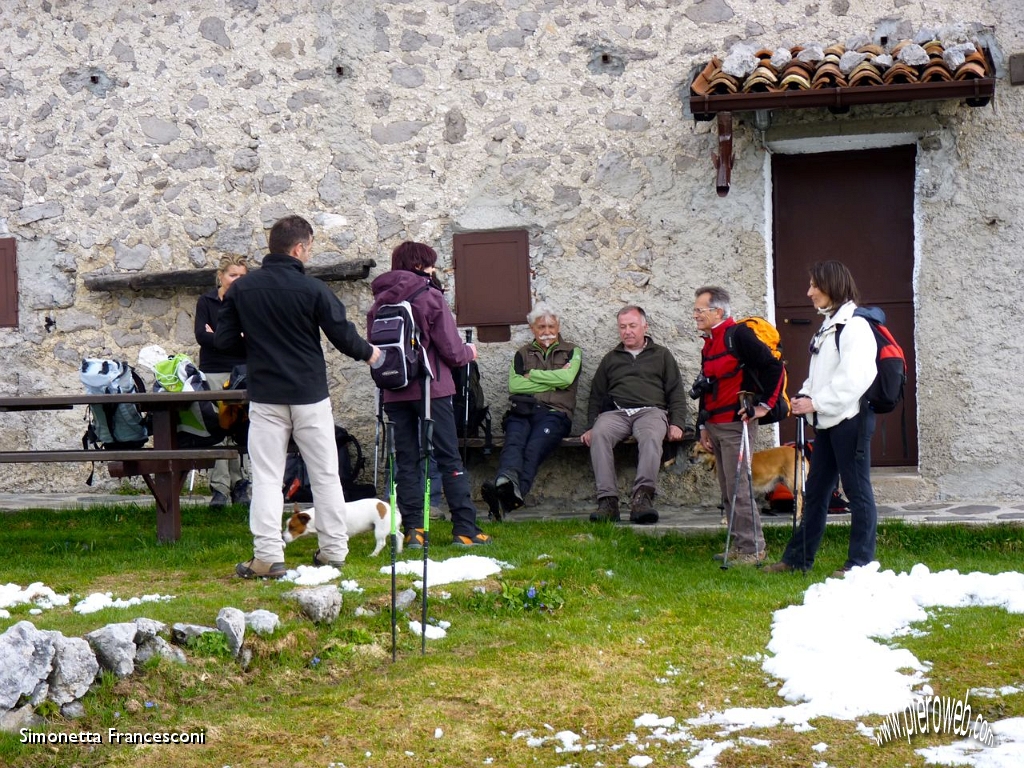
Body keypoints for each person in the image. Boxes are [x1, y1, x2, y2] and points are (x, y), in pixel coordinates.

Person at [215, 215, 380, 579]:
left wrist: (256, 344)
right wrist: (370, 353)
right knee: (325, 475)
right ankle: (334, 550)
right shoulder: (314, 290)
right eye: (309, 247)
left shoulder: (243, 289)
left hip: (267, 395)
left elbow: (224, 342)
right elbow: (342, 335)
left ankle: (268, 557)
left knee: (267, 478)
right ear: (299, 248)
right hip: (310, 395)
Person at [368, 241, 491, 548]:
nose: (435, 269)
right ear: (421, 265)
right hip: (431, 389)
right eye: (432, 264)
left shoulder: (379, 301)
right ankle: (465, 529)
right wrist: (469, 352)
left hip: (394, 390)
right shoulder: (429, 295)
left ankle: (414, 531)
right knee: (449, 456)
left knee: (407, 461)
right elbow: (450, 349)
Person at [764, 260, 878, 577]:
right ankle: (797, 559)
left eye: (815, 285)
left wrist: (815, 402)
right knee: (814, 493)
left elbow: (854, 380)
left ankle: (860, 564)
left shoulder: (855, 326)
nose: (809, 292)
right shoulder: (829, 325)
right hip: (827, 422)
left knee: (857, 492)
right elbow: (821, 376)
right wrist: (803, 397)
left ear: (832, 287)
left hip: (850, 421)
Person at [693, 286, 784, 565]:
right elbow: (706, 386)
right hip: (716, 425)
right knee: (727, 488)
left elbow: (774, 368)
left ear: (717, 311)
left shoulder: (739, 336)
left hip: (736, 425)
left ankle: (754, 548)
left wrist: (763, 406)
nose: (695, 315)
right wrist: (702, 426)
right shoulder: (709, 342)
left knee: (739, 488)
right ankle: (740, 545)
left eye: (700, 310)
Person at [581, 305, 687, 524]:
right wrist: (591, 425)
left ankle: (642, 498)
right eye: (622, 327)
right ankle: (608, 501)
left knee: (650, 437)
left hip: (651, 411)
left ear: (644, 327)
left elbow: (675, 391)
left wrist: (677, 423)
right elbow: (596, 395)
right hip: (617, 412)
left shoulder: (662, 355)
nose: (627, 331)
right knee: (600, 434)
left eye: (632, 326)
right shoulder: (611, 358)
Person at [481, 303, 582, 519]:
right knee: (514, 441)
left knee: (533, 448)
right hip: (524, 410)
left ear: (558, 326)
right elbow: (515, 386)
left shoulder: (572, 351)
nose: (546, 332)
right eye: (541, 327)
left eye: (551, 326)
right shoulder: (522, 353)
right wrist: (554, 382)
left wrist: (532, 375)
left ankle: (506, 497)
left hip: (557, 413)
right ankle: (506, 489)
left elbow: (567, 379)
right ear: (532, 329)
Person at [194, 254, 251, 509]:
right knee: (218, 428)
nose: (237, 280)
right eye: (232, 274)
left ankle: (241, 484)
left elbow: (252, 338)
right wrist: (233, 338)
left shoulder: (248, 302)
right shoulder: (206, 301)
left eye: (242, 276)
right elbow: (200, 336)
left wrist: (217, 336)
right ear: (221, 276)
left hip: (240, 371)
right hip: (213, 370)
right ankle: (219, 489)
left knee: (239, 427)